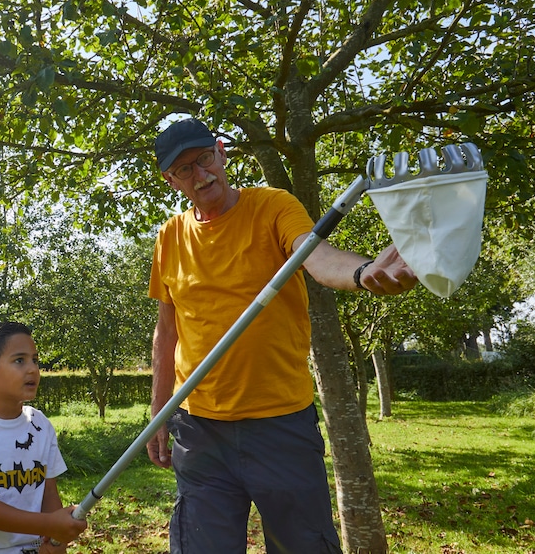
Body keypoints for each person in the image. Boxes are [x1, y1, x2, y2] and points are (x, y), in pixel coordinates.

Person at [145, 117, 418, 553]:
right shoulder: (170, 236)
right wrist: (160, 411)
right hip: (199, 430)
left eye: (204, 159)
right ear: (170, 180)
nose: (201, 175)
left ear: (221, 151)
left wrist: (362, 272)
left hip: (280, 425)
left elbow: (316, 256)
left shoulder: (272, 205)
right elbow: (167, 330)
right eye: (184, 170)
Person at [0, 322, 88, 553]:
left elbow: (48, 492)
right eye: (19, 360)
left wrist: (55, 540)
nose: (32, 369)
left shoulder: (40, 424)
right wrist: (50, 524)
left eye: (35, 360)